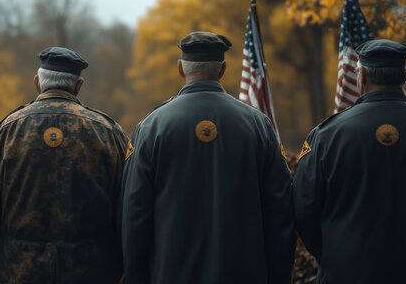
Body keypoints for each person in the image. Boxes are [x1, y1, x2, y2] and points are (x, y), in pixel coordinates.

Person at [121, 31, 295, 284]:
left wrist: (138, 277)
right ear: (223, 69)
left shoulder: (151, 127)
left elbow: (134, 213)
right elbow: (280, 211)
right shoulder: (259, 124)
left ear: (181, 69)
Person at [293, 39, 406, 284]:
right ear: (405, 76)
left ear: (361, 76)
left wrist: (334, 255)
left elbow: (304, 210)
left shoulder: (327, 135)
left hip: (346, 274)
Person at [0, 47, 129, 283]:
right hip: (90, 271)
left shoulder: (7, 130)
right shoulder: (108, 132)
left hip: (16, 270)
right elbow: (126, 207)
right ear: (78, 86)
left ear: (38, 82)